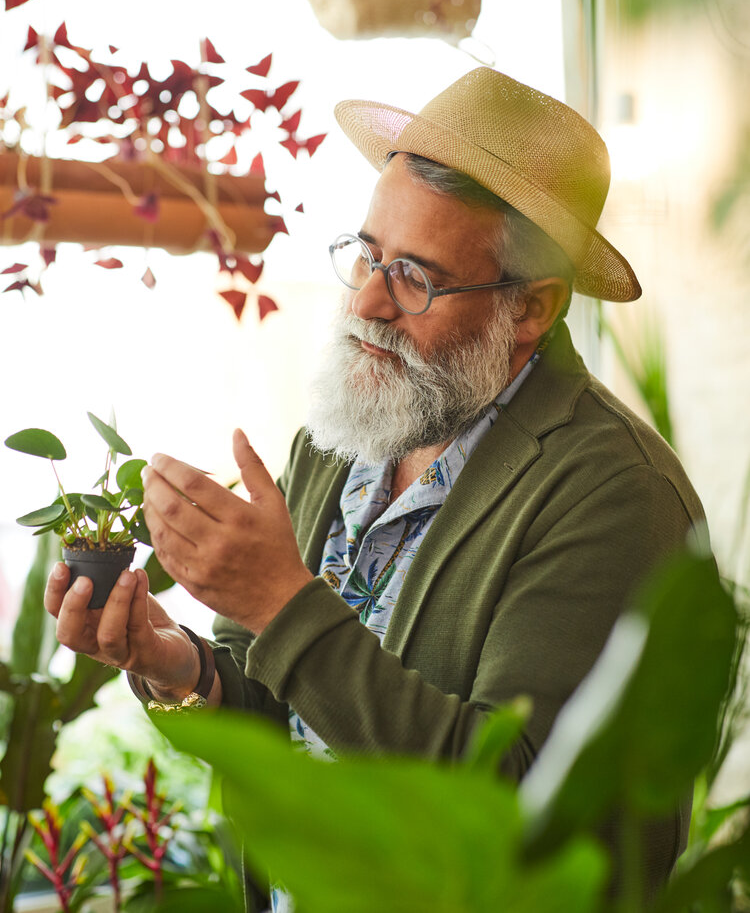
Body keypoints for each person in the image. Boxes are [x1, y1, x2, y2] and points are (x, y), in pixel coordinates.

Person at [45, 67, 705, 904]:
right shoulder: (346, 436)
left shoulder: (613, 495)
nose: (365, 300)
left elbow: (525, 818)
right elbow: (287, 716)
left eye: (415, 277)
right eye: (366, 254)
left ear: (532, 309)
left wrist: (283, 604)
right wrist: (176, 665)